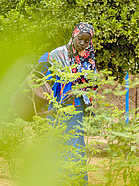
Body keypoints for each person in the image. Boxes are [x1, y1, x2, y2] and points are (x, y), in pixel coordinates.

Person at [38, 22, 97, 183]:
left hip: (76, 107)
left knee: (74, 143)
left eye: (86, 41)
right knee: (54, 139)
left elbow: (92, 83)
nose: (83, 43)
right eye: (80, 39)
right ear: (74, 35)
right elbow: (43, 64)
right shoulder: (60, 53)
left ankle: (75, 181)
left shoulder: (88, 60)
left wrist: (77, 90)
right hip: (57, 103)